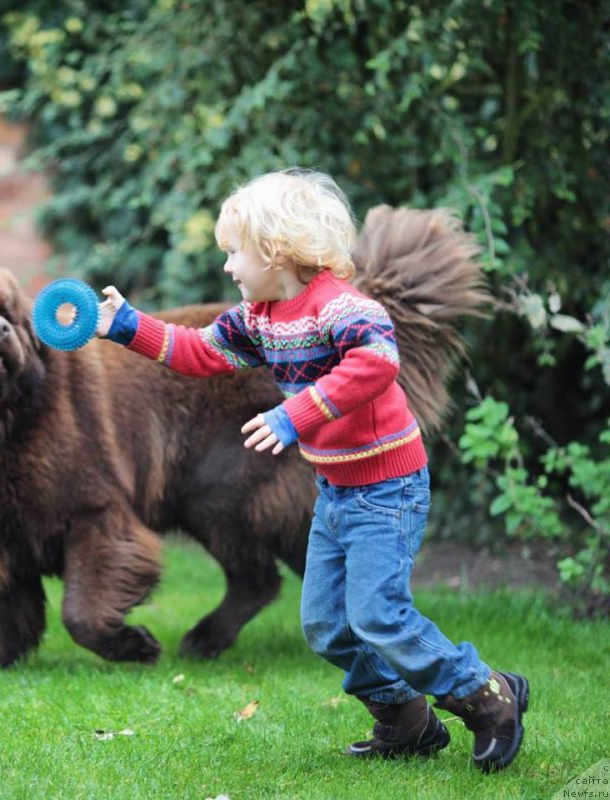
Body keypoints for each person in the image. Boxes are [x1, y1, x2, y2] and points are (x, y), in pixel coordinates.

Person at [97, 168, 529, 773]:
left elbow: (377, 363)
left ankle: (489, 696)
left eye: (234, 253)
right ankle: (406, 723)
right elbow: (200, 351)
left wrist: (293, 415)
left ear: (276, 251)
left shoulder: (342, 307)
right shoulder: (259, 316)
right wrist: (127, 326)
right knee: (327, 624)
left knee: (379, 614)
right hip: (337, 490)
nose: (228, 268)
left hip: (388, 488)